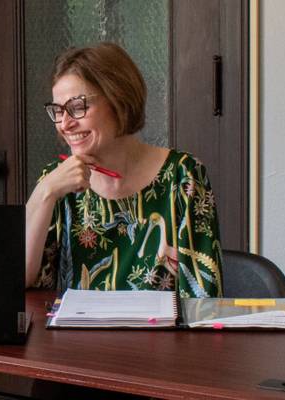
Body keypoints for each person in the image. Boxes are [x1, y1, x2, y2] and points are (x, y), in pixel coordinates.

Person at [25, 42, 223, 299]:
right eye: (58, 111)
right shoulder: (57, 181)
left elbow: (203, 299)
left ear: (119, 99)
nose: (65, 124)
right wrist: (45, 191)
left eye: (77, 107)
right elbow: (21, 279)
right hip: (73, 339)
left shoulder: (182, 176)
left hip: (161, 338)